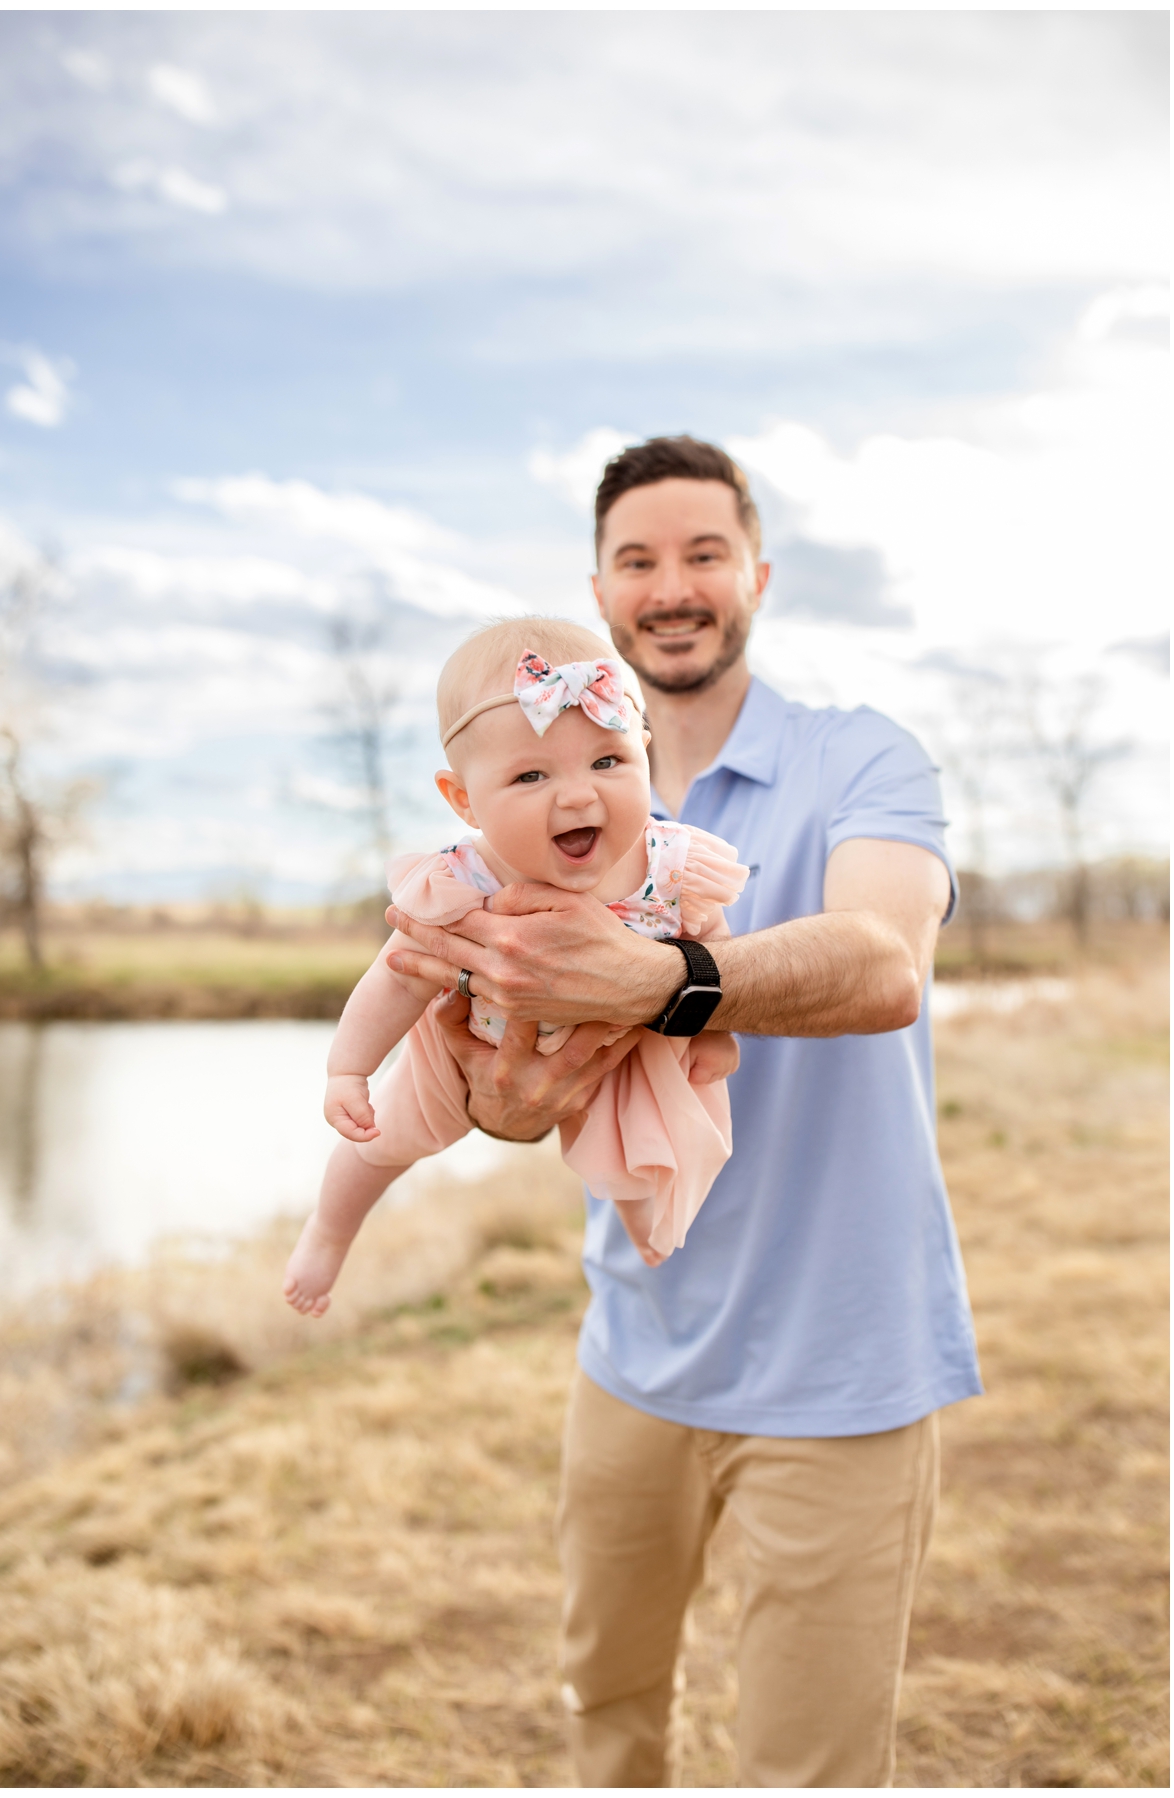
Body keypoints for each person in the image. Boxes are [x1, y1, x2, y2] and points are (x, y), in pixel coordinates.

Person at [382, 436, 974, 1786]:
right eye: (639, 560)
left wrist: (667, 978)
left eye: (704, 553)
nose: (673, 585)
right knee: (608, 1723)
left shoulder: (861, 758)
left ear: (754, 574)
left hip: (844, 1374)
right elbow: (518, 1093)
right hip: (632, 1358)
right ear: (600, 594)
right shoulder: (552, 804)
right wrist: (507, 1099)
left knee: (806, 1769)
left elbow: (886, 966)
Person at [284, 619, 746, 1319]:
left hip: (620, 1042)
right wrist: (348, 1070)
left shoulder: (668, 863)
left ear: (644, 754)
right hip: (471, 1041)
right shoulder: (464, 879)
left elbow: (711, 941)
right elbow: (399, 973)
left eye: (608, 762)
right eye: (531, 775)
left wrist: (713, 1028)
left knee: (649, 1125)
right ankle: (328, 1232)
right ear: (463, 799)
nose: (577, 796)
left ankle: (646, 1229)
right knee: (385, 1139)